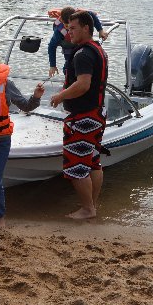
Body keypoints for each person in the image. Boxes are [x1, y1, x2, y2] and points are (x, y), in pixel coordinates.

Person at [50, 11, 109, 219]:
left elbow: (83, 84)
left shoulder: (83, 54)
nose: (69, 32)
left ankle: (87, 209)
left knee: (76, 164)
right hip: (97, 113)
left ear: (86, 28)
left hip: (83, 117)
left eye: (73, 28)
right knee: (93, 161)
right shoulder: (98, 49)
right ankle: (92, 205)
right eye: (68, 28)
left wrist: (60, 96)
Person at [0, 46, 44, 228]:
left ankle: (0, 218)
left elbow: (25, 105)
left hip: (1, 139)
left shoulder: (6, 83)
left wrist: (36, 97)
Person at [48, 6, 108, 79]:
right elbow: (51, 46)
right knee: (68, 67)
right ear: (62, 21)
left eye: (72, 27)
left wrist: (100, 30)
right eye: (67, 26)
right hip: (68, 46)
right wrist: (53, 65)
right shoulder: (59, 33)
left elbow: (92, 16)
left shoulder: (81, 15)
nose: (69, 31)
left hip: (80, 44)